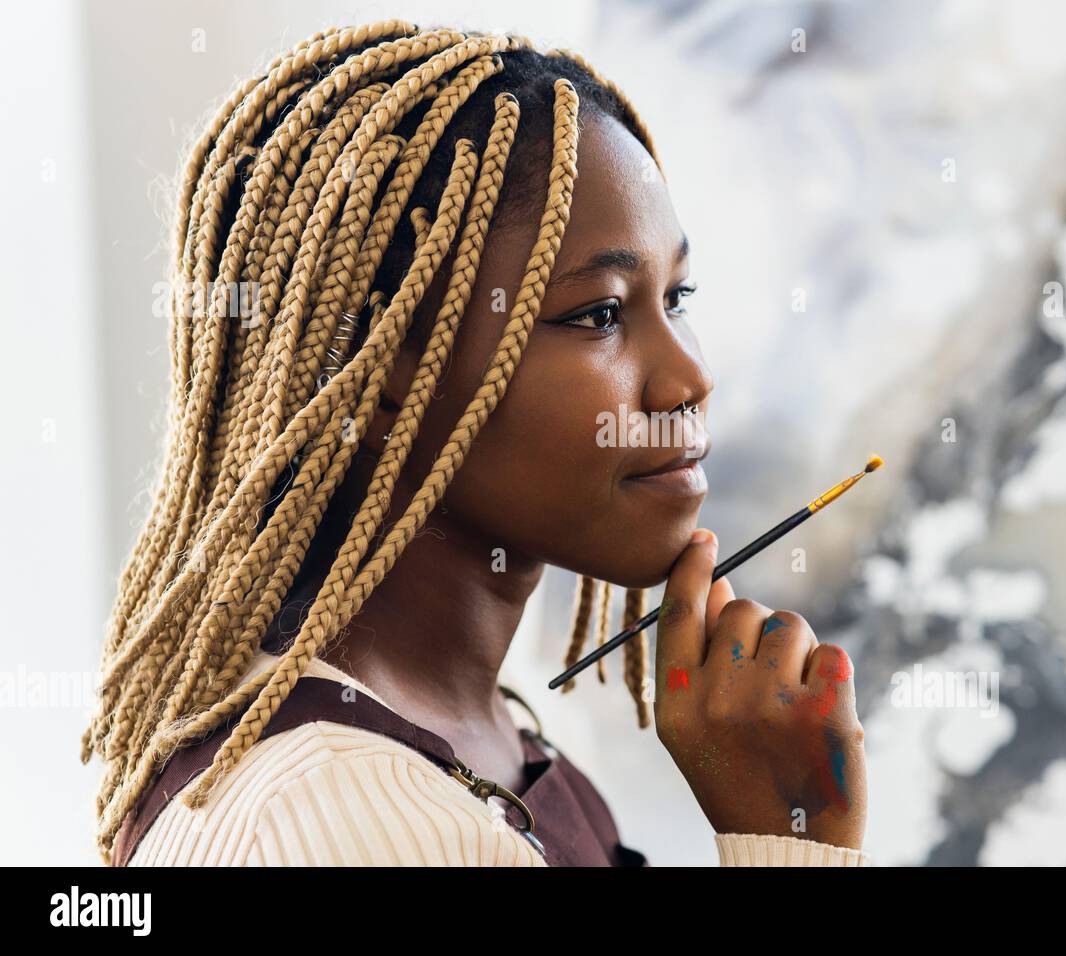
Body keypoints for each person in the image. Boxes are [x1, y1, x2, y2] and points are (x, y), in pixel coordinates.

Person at [84, 21, 871, 867]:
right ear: (383, 372)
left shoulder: (482, 743)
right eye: (599, 313)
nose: (689, 381)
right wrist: (789, 837)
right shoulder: (347, 824)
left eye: (676, 297)